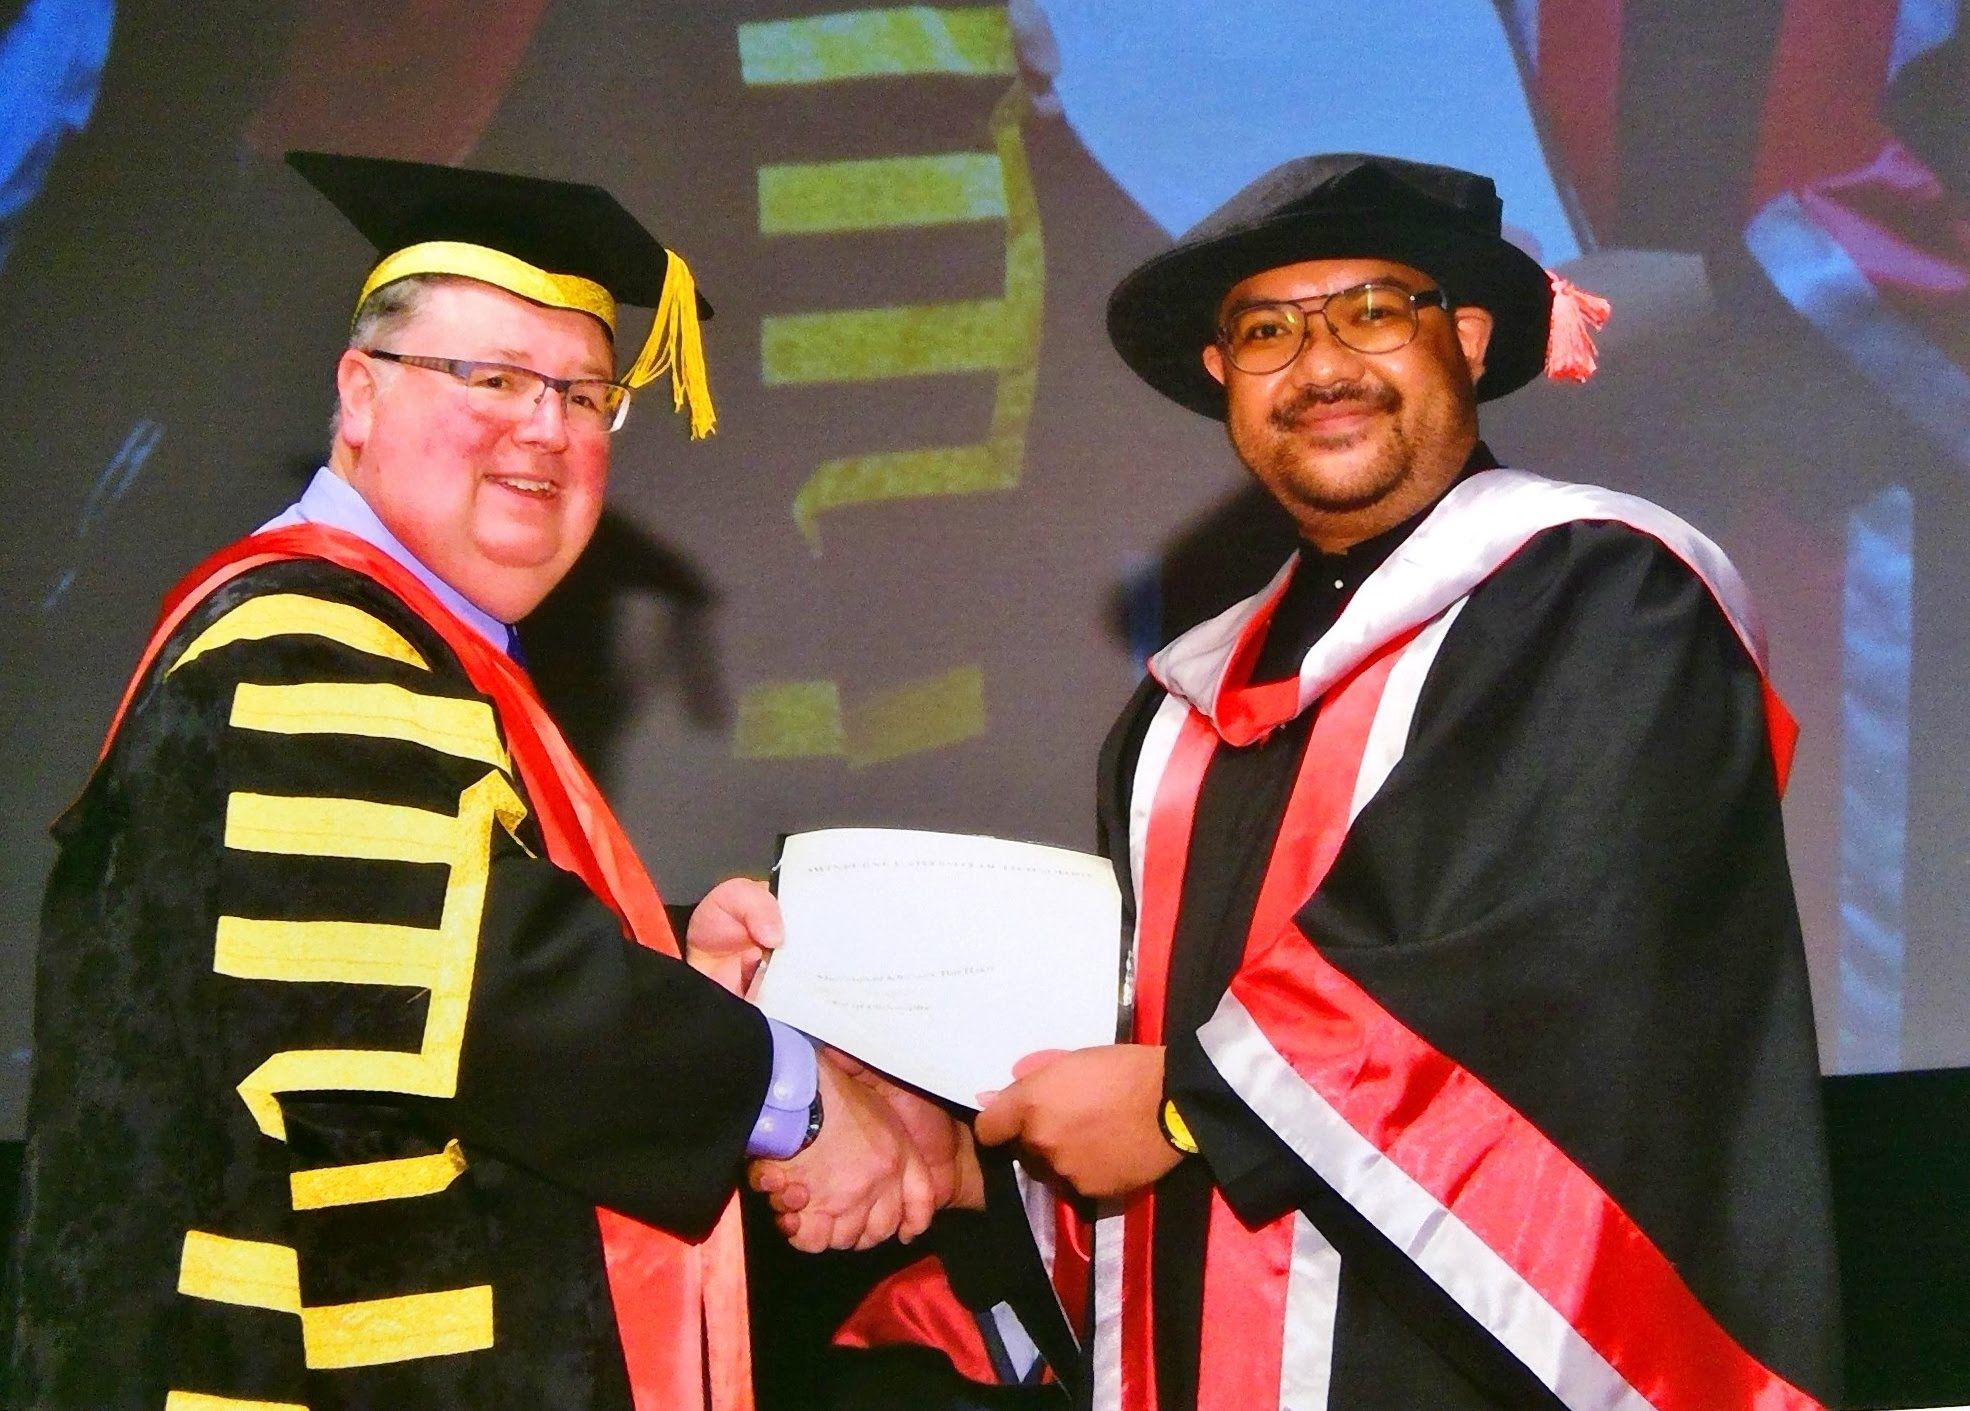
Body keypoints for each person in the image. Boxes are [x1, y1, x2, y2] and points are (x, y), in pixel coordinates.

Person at [783, 154, 1841, 1408]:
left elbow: (1547, 953)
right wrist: (972, 1147)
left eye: (1373, 310)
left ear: (1466, 336)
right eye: (1266, 331)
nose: (1322, 364)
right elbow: (1139, 1050)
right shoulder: (1176, 711)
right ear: (1220, 374)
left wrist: (1185, 1106)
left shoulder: (1604, 594)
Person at [4, 151, 944, 1410]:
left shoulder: (419, 653)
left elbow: (396, 950)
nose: (545, 427)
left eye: (585, 394)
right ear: (360, 394)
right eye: (491, 378)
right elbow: (474, 985)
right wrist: (802, 1100)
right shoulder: (300, 638)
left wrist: (669, 965)